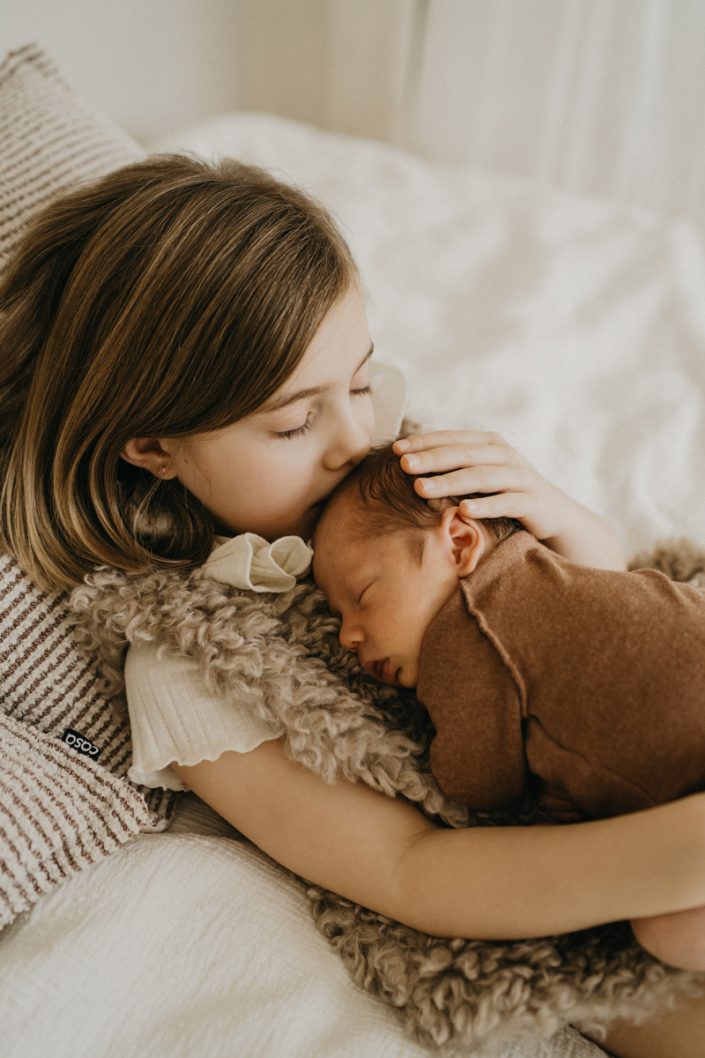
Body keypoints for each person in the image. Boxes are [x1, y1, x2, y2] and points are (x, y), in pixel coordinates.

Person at [1, 154, 705, 1057]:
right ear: (153, 448)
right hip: (576, 896)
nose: (355, 439)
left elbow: (589, 630)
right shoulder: (188, 656)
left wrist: (569, 526)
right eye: (294, 423)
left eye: (363, 381)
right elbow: (408, 871)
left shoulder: (399, 478)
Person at [312, 442, 705, 971]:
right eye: (338, 618)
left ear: (458, 541)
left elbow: (482, 783)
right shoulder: (552, 570)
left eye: (362, 596)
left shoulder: (464, 630)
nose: (349, 636)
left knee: (667, 930)